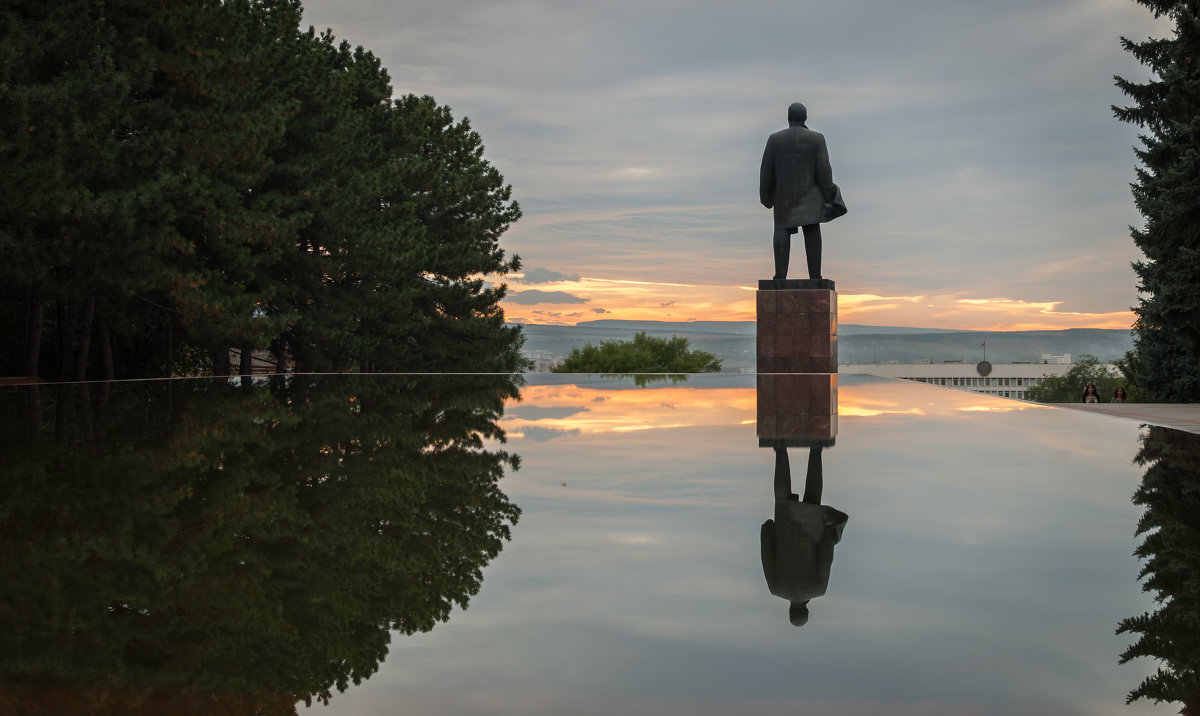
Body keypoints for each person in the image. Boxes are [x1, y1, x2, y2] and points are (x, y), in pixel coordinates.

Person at [760, 445, 848, 627]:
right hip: (785, 531)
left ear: (806, 609)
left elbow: (825, 557)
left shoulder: (818, 589)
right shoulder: (775, 588)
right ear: (790, 610)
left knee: (813, 498)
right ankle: (781, 450)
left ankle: (816, 450)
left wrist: (830, 534)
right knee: (781, 497)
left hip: (811, 533)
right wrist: (768, 528)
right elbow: (767, 553)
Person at [759, 102, 845, 281]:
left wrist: (766, 197)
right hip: (811, 197)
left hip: (783, 198)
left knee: (781, 230)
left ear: (788, 118)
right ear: (805, 118)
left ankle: (780, 277)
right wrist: (830, 196)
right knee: (812, 229)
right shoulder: (817, 139)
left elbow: (766, 172)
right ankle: (815, 276)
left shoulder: (775, 140)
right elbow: (824, 171)